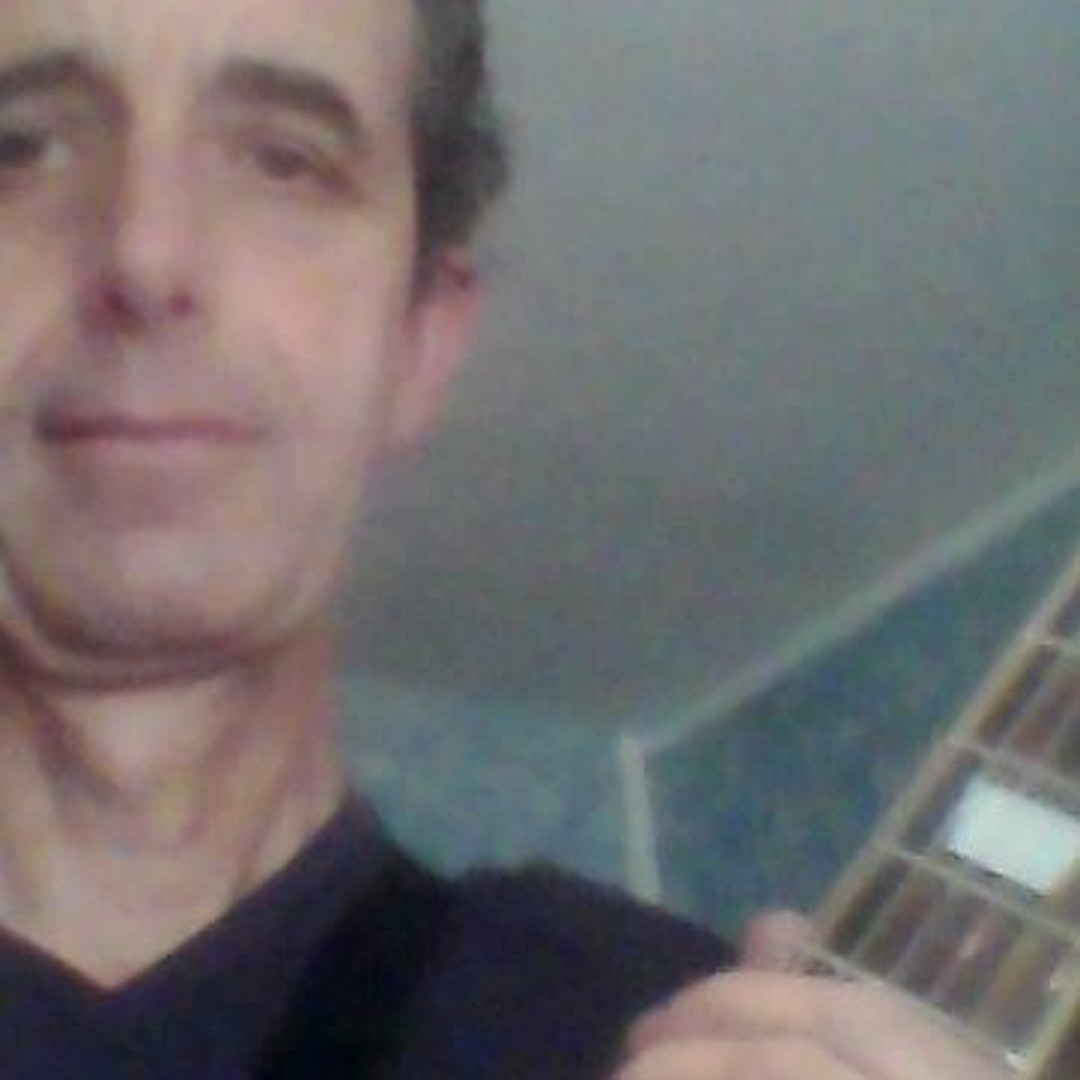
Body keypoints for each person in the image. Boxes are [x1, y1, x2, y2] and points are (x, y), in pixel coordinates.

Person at [0, 0, 1013, 1077]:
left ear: (419, 347)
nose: (146, 255)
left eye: (285, 161)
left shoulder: (680, 1017)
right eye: (17, 149)